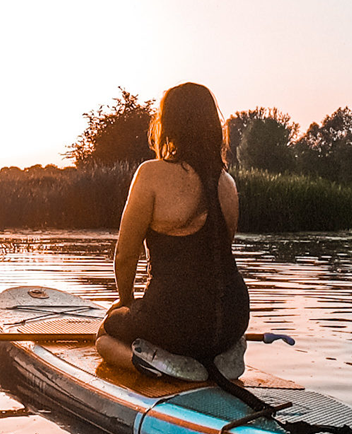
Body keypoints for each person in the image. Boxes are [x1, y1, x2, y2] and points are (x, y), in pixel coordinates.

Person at [96, 82, 249, 380]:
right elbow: (216, 262)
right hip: (233, 317)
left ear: (168, 124)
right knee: (201, 330)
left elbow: (125, 254)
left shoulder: (151, 174)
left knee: (104, 335)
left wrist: (125, 302)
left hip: (173, 320)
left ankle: (165, 365)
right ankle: (227, 355)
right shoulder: (227, 183)